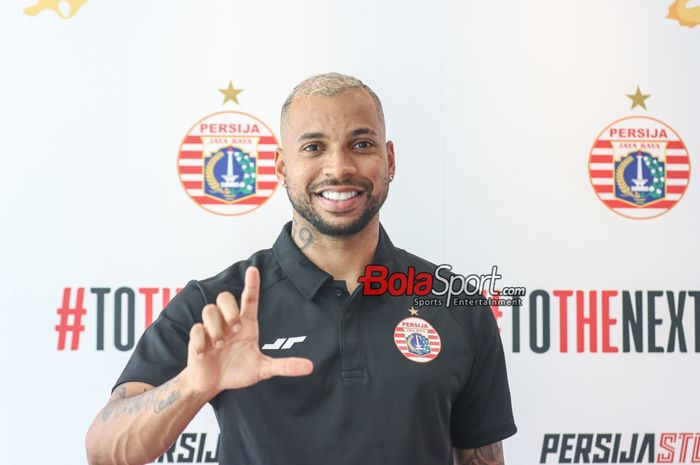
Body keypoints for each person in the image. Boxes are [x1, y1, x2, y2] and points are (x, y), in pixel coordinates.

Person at [85, 72, 517, 465]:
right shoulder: (220, 303)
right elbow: (104, 451)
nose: (339, 167)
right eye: (314, 147)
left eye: (361, 144)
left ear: (390, 160)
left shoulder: (454, 303)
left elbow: (482, 458)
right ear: (281, 166)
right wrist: (194, 385)